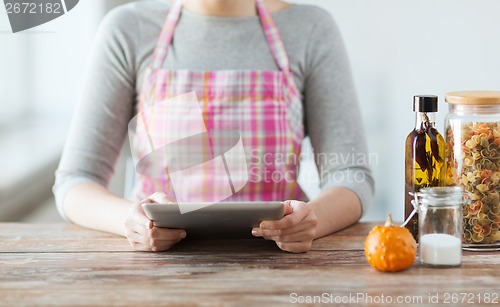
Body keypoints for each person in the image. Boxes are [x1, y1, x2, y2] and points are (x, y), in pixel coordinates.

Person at [54, 0, 374, 253]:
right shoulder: (128, 29)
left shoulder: (310, 28)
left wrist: (312, 220)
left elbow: (352, 173)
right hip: (158, 272)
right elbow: (77, 180)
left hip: (279, 263)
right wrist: (129, 220)